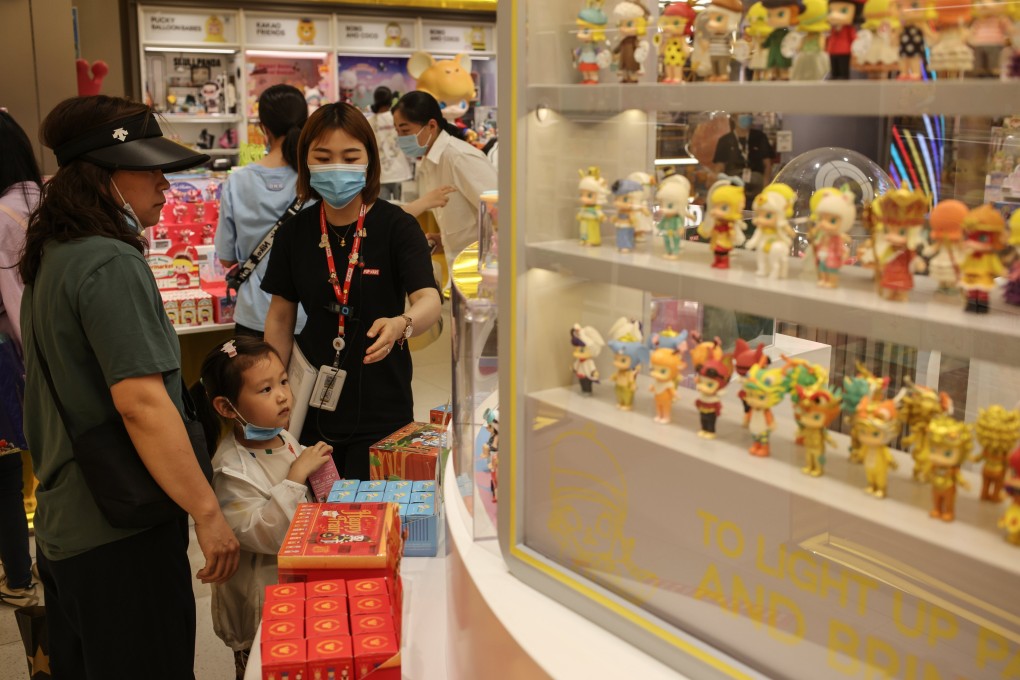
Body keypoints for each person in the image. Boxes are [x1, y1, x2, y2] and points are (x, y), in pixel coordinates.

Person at [19, 95, 239, 678]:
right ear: (105, 178)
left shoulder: (54, 256)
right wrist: (207, 512)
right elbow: (143, 404)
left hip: (69, 524)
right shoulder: (109, 264)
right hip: (119, 534)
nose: (165, 186)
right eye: (151, 170)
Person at [262, 102, 442, 479]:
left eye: (349, 156)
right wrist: (273, 388)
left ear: (369, 161)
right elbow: (280, 317)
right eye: (323, 157)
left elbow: (429, 300)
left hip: (383, 399)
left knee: (376, 519)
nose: (336, 167)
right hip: (310, 400)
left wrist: (402, 324)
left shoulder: (397, 225)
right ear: (306, 161)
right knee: (318, 520)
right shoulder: (295, 232)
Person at [192, 336, 333, 679]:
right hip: (260, 605)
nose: (283, 395)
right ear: (227, 408)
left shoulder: (282, 435)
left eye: (283, 381)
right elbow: (267, 535)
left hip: (294, 589)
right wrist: (297, 476)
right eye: (265, 390)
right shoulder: (230, 471)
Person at [216, 84, 309, 339]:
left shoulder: (238, 181)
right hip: (308, 316)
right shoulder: (315, 180)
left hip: (254, 316)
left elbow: (225, 258)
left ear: (262, 127)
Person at [0, 109, 41, 607]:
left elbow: (14, 301)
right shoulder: (46, 199)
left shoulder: (3, 215)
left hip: (23, 359)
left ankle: (24, 570)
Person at [392, 91, 498, 274]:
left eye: (405, 130)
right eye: (397, 131)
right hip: (460, 269)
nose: (401, 138)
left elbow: (500, 212)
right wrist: (444, 239)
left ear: (431, 126)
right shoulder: (430, 162)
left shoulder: (459, 157)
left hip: (483, 269)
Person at [712, 113, 775, 208]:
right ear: (734, 117)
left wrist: (765, 188)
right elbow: (719, 168)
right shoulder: (725, 141)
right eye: (742, 114)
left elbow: (767, 165)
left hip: (757, 187)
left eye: (748, 114)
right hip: (733, 187)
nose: (746, 117)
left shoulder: (760, 137)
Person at [368, 86, 412, 202]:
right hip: (400, 171)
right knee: (401, 211)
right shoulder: (399, 119)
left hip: (381, 174)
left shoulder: (370, 122)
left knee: (384, 212)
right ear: (390, 100)